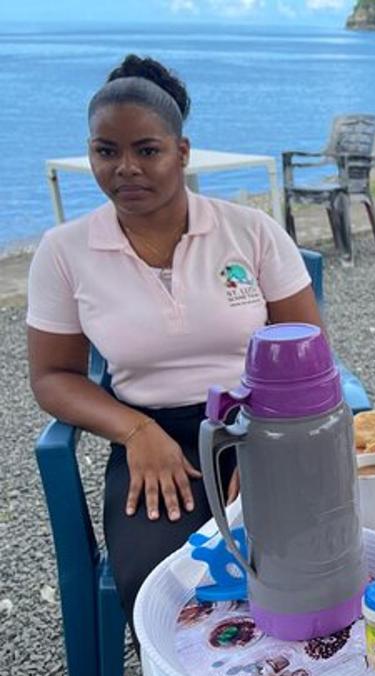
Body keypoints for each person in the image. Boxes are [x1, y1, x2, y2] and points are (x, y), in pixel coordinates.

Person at [27, 55, 322, 627]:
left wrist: (269, 439)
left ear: (181, 153)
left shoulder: (250, 231)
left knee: (307, 557)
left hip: (260, 425)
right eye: (106, 152)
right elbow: (52, 376)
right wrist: (136, 431)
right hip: (154, 441)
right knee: (163, 589)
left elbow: (306, 350)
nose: (125, 169)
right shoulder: (65, 251)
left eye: (147, 150)